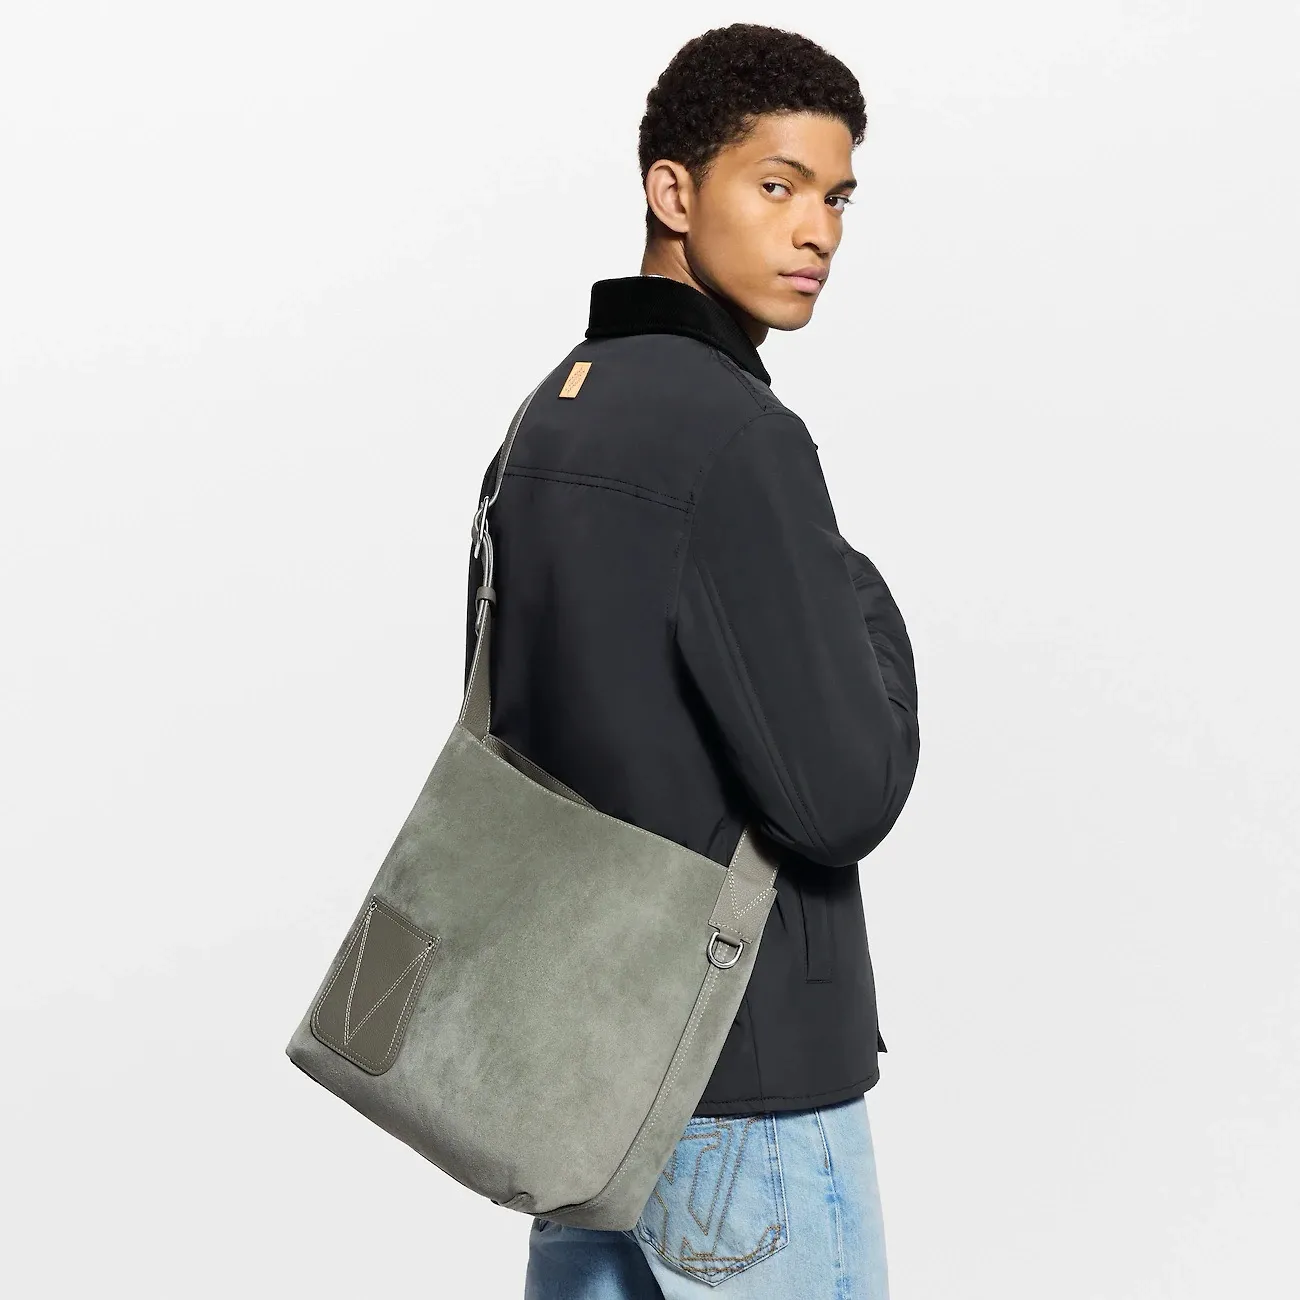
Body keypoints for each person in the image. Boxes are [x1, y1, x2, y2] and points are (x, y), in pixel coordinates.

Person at [465, 23, 921, 1300]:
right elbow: (841, 797)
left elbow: (516, 737)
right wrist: (864, 599)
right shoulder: (736, 435)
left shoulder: (550, 411)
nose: (816, 231)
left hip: (576, 1088)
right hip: (745, 1099)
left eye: (836, 198)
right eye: (775, 185)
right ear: (672, 191)